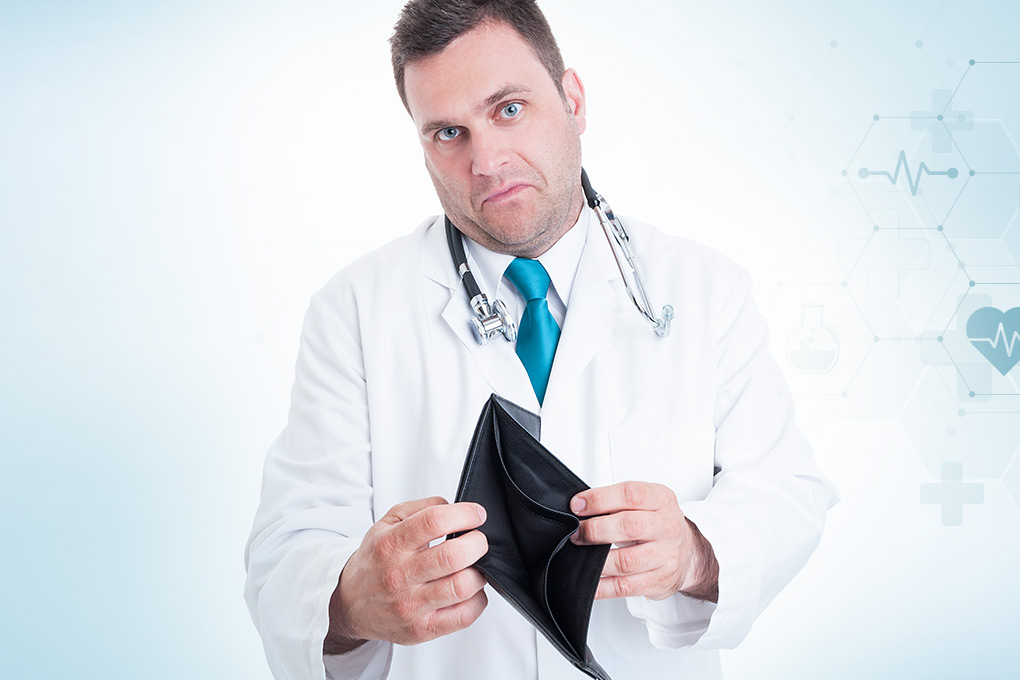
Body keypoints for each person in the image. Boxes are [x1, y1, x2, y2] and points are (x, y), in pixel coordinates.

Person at [244, 1, 839, 679]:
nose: (487, 160)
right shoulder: (354, 312)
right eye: (448, 132)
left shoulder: (705, 288)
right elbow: (284, 554)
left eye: (508, 109)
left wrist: (694, 552)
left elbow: (788, 491)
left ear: (572, 101)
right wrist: (350, 600)